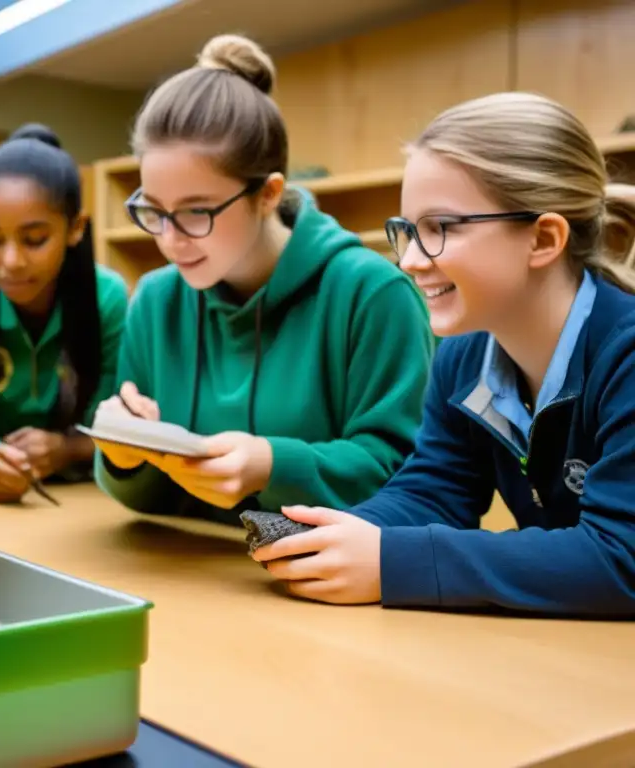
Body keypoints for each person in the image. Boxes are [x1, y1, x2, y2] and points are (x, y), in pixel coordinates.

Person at [252, 92, 635, 618]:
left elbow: (621, 558)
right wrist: (332, 536)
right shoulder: (461, 357)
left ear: (543, 238)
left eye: (439, 229)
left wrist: (394, 561)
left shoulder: (626, 355)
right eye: (408, 231)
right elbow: (436, 489)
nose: (409, 260)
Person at [90, 34, 434, 525]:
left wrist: (275, 466)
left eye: (195, 212)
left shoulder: (374, 295)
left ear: (269, 193)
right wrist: (126, 459)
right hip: (193, 571)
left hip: (332, 585)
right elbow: (150, 505)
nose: (169, 239)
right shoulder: (154, 300)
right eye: (153, 210)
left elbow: (413, 481)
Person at [0, 124, 128, 503]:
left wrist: (69, 449)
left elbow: (115, 429)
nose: (11, 261)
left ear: (76, 228)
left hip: (88, 501)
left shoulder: (108, 299)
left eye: (34, 239)